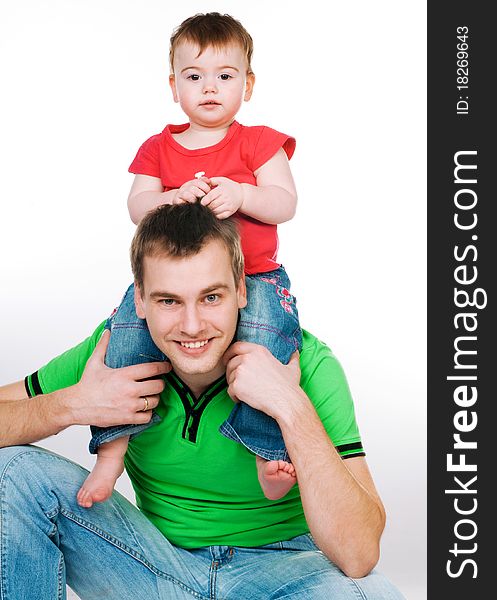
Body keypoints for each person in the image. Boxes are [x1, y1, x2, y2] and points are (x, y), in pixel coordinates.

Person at [0, 203, 404, 599]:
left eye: (211, 297)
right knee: (12, 469)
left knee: (371, 595)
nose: (192, 326)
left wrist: (289, 404)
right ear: (139, 300)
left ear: (242, 290)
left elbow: (359, 554)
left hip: (282, 575)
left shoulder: (306, 363)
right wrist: (73, 403)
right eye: (168, 301)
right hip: (156, 568)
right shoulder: (113, 356)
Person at [82, 12, 303, 507]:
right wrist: (173, 196)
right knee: (126, 342)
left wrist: (243, 195)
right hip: (178, 282)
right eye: (194, 76)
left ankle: (267, 454)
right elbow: (137, 207)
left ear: (246, 85)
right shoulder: (159, 147)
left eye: (225, 76)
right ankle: (112, 452)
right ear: (173, 85)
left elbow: (284, 202)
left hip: (256, 278)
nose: (209, 88)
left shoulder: (259, 142)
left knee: (269, 348)